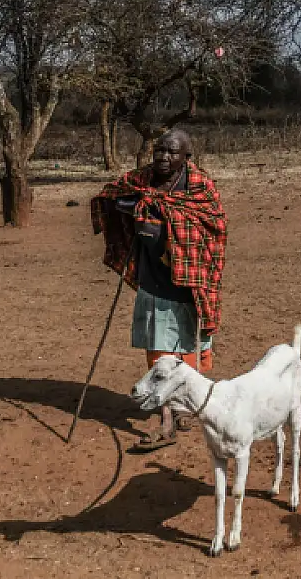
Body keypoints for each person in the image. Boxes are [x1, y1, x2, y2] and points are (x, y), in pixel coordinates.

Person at [90, 128, 227, 453]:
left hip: (190, 283)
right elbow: (112, 195)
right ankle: (167, 421)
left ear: (186, 157)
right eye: (159, 151)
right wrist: (134, 210)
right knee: (158, 351)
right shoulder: (142, 181)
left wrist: (167, 222)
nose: (164, 158)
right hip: (154, 282)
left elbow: (215, 228)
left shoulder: (200, 188)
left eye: (172, 152)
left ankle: (186, 408)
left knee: (188, 349)